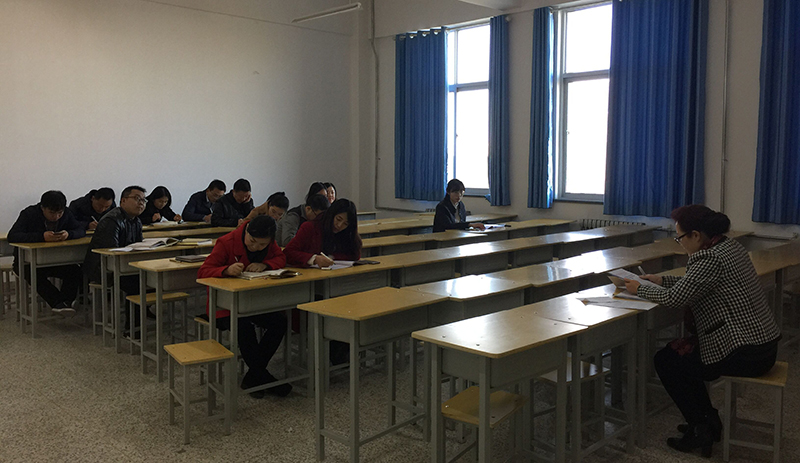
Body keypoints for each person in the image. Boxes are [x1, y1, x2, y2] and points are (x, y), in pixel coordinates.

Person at [624, 205, 781, 457]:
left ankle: (701, 427)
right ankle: (706, 420)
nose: (680, 244)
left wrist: (639, 289)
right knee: (679, 358)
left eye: (680, 238)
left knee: (668, 361)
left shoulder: (709, 258)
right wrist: (661, 280)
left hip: (744, 352)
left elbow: (675, 298)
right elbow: (695, 284)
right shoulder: (728, 246)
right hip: (763, 344)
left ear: (696, 235)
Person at [197, 216, 291, 398]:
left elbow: (281, 258)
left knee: (279, 322)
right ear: (246, 231)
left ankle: (254, 375)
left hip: (254, 302)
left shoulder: (269, 243)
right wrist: (225, 270)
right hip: (224, 306)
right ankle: (262, 376)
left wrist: (265, 264)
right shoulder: (226, 242)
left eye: (262, 245)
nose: (255, 247)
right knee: (243, 326)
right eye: (252, 241)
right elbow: (203, 272)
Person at [284, 199, 362, 365]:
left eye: (346, 224)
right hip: (311, 289)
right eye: (338, 219)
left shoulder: (347, 234)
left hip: (339, 286)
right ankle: (333, 353)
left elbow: (354, 256)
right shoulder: (310, 228)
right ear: (331, 214)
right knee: (333, 310)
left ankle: (340, 351)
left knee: (354, 305)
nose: (340, 226)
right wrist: (313, 259)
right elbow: (289, 252)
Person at [8, 190, 86, 316]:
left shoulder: (67, 213)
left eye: (60, 213)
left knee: (75, 271)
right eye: (52, 213)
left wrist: (69, 234)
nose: (56, 217)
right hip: (25, 262)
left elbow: (80, 230)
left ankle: (65, 303)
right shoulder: (29, 213)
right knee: (34, 274)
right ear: (42, 207)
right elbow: (13, 236)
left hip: (54, 260)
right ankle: (59, 303)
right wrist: (41, 236)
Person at [83, 186, 147, 330]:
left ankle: (142, 313)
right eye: (137, 199)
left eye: (143, 200)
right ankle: (132, 328)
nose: (141, 203)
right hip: (102, 268)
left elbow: (139, 245)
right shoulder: (112, 220)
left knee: (149, 278)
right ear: (123, 201)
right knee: (139, 283)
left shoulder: (136, 221)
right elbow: (111, 252)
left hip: (123, 265)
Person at [275, 182, 329, 247]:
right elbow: (287, 241)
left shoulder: (315, 214)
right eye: (317, 216)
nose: (318, 219)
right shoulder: (293, 216)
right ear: (308, 209)